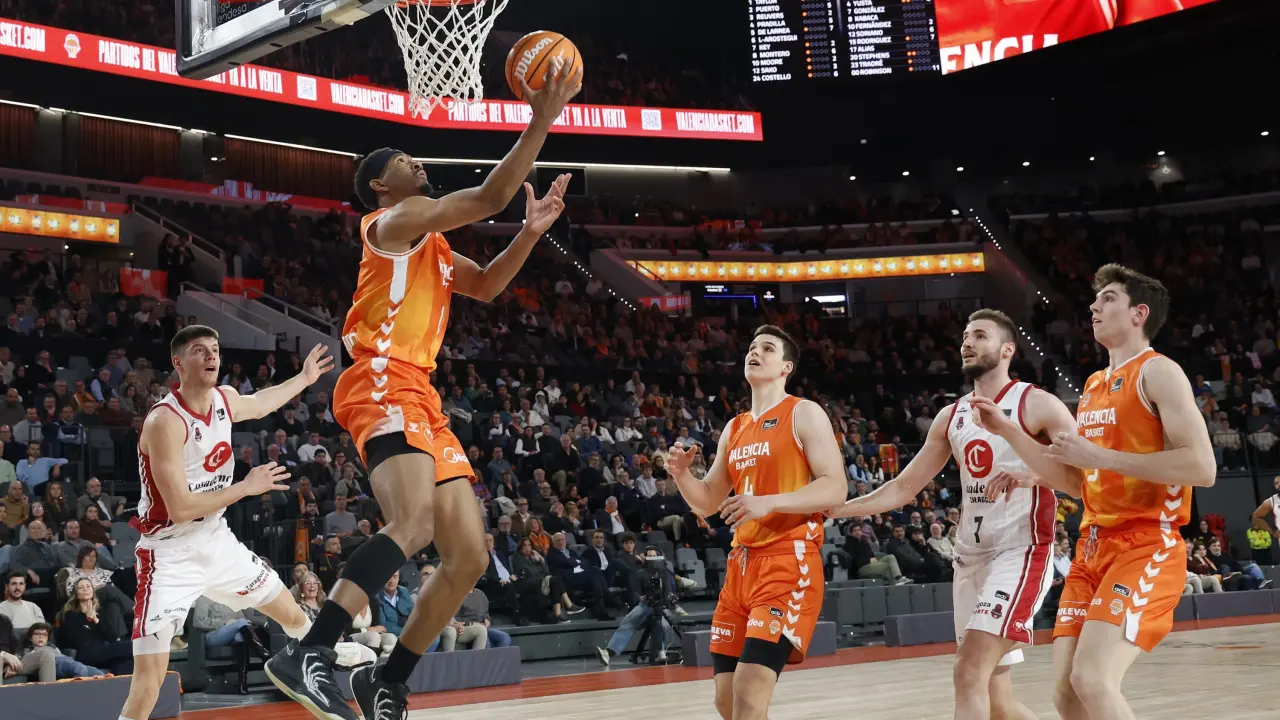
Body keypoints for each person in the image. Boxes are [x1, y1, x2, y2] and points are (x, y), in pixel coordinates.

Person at [265, 55, 583, 720]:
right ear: (381, 184)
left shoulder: (432, 245)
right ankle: (309, 651)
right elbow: (489, 198)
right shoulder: (391, 224)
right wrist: (542, 121)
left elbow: (487, 285)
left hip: (419, 391)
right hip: (380, 376)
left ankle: (388, 681)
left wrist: (528, 235)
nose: (417, 162)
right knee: (411, 524)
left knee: (467, 557)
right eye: (405, 160)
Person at [828, 308, 1081, 720]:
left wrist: (1032, 475)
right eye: (965, 336)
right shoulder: (952, 415)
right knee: (997, 701)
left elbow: (1084, 478)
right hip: (969, 559)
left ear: (1007, 349)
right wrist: (838, 508)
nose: (967, 342)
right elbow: (904, 487)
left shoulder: (1037, 403)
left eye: (980, 335)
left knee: (968, 670)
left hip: (1020, 550)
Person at [116, 326, 334, 720]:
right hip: (169, 552)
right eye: (200, 350)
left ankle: (324, 661)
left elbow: (261, 403)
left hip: (216, 539)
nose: (211, 356)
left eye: (215, 349)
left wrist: (304, 378)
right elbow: (180, 508)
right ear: (179, 363)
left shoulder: (224, 398)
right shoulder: (165, 421)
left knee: (292, 613)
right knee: (148, 682)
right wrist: (246, 488)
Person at [1035, 265, 1216, 720]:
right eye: (1096, 300)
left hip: (1146, 543)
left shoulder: (1158, 372)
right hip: (1092, 545)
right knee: (1066, 695)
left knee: (1092, 679)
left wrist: (1101, 457)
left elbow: (1202, 467)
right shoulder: (1093, 385)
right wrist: (1026, 464)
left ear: (1139, 313)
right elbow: (1082, 481)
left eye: (1108, 298)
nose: (1094, 306)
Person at [666, 325, 846, 720]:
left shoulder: (803, 412)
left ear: (786, 367)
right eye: (751, 346)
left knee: (749, 693)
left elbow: (835, 488)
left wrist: (769, 502)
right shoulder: (735, 428)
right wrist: (682, 476)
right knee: (727, 702)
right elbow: (708, 502)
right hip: (741, 567)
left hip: (787, 561)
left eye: (767, 348)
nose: (755, 352)